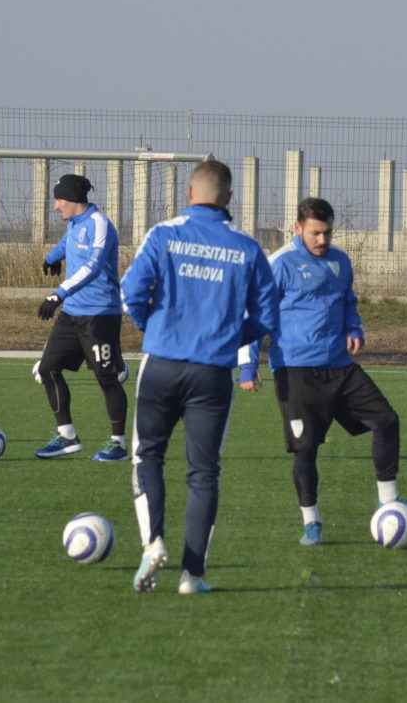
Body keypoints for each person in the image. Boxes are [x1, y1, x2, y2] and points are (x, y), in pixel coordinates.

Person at [121, 160, 277, 595]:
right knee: (204, 473)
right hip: (212, 371)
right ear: (228, 198)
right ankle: (193, 576)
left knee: (147, 456)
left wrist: (147, 325)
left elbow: (131, 291)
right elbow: (265, 316)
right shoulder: (247, 249)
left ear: (190, 193)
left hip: (162, 363)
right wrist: (231, 336)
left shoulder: (164, 234)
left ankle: (152, 542)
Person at [240, 197, 407, 546]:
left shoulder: (340, 262)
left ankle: (388, 499)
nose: (322, 240)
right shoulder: (278, 264)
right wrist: (247, 364)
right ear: (298, 228)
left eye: (327, 232)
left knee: (387, 421)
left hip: (340, 367)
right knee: (306, 451)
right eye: (315, 233)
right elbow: (253, 314)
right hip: (296, 370)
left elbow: (347, 301)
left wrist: (354, 328)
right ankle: (311, 522)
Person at [34, 174, 129, 462]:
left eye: (59, 199)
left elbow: (94, 266)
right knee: (47, 369)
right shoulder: (75, 223)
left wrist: (57, 294)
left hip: (99, 316)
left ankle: (118, 445)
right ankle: (66, 436)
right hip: (72, 314)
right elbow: (68, 242)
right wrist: (52, 257)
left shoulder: (100, 224)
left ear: (74, 200)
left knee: (106, 378)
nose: (55, 206)